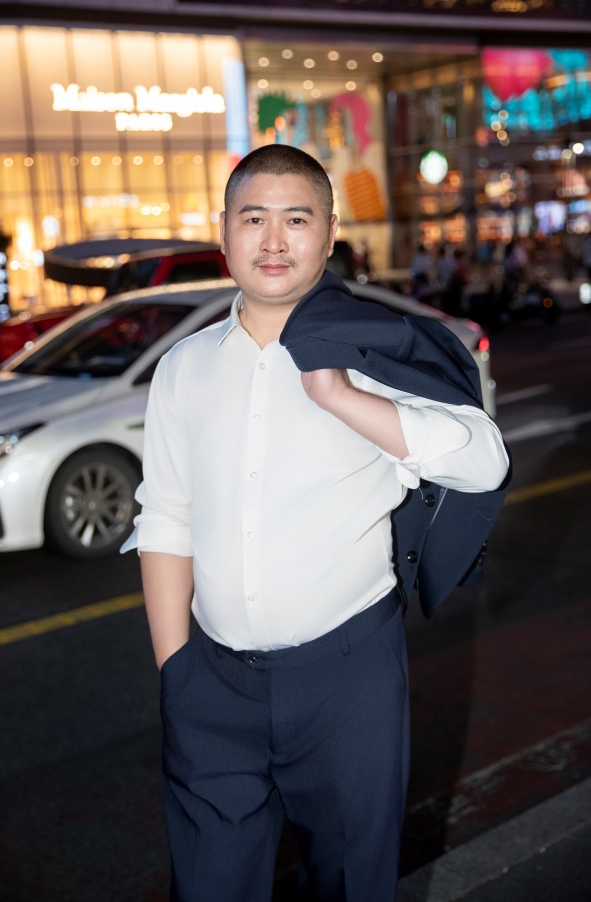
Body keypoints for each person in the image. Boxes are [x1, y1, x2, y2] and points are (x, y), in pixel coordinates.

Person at [123, 144, 509, 902]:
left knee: (351, 884)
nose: (273, 240)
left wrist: (344, 397)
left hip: (348, 679)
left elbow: (484, 461)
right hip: (213, 684)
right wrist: (178, 674)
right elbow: (165, 515)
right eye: (253, 219)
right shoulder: (184, 367)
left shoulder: (372, 353)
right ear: (223, 230)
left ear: (329, 235)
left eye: (296, 220)